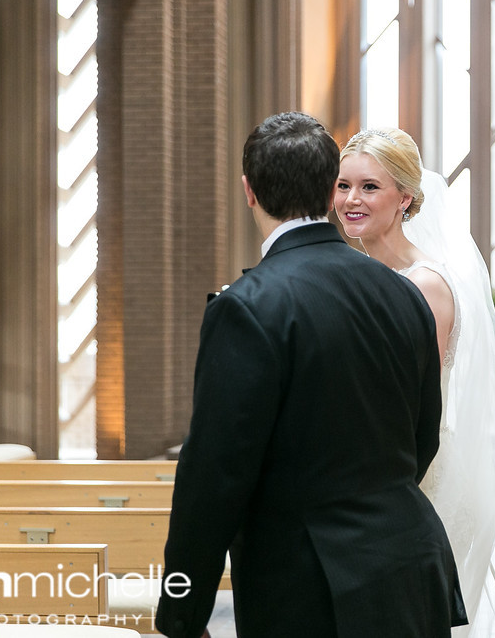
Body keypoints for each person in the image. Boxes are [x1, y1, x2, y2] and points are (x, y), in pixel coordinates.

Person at [155, 112, 467, 638]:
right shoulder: (404, 294)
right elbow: (421, 434)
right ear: (330, 191)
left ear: (249, 191)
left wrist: (182, 609)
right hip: (412, 567)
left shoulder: (247, 308)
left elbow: (213, 473)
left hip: (310, 587)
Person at [335, 128, 495, 637]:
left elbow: (408, 403)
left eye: (370, 187)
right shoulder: (363, 273)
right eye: (344, 185)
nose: (351, 199)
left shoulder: (425, 285)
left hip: (413, 478)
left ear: (405, 198)